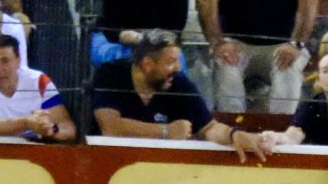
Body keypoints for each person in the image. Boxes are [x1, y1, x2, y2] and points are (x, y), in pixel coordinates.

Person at [89, 30, 274, 160]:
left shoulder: (177, 82)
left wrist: (234, 135)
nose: (178, 68)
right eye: (170, 62)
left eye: (178, 61)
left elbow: (209, 128)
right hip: (107, 161)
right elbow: (110, 127)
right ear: (147, 65)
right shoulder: (110, 73)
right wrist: (165, 131)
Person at [0, 33, 75, 143]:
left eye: (5, 61)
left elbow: (67, 129)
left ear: (18, 61)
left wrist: (50, 129)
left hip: (29, 149)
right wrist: (28, 123)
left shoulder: (39, 81)